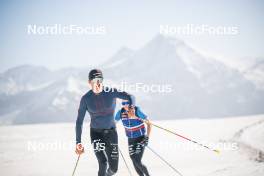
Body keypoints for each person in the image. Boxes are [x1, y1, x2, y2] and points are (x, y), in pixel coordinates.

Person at [75, 69, 134, 176]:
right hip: (96, 133)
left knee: (114, 169)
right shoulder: (86, 99)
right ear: (89, 82)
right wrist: (78, 142)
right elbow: (79, 122)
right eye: (94, 80)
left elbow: (130, 97)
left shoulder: (110, 92)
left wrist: (131, 108)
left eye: (100, 80)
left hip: (111, 134)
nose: (97, 83)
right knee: (103, 162)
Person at [115, 99, 151, 176]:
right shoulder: (120, 112)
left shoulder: (137, 110)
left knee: (137, 160)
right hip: (130, 140)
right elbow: (113, 123)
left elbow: (149, 123)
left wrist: (147, 138)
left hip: (141, 139)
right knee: (133, 160)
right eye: (123, 103)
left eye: (127, 103)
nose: (125, 105)